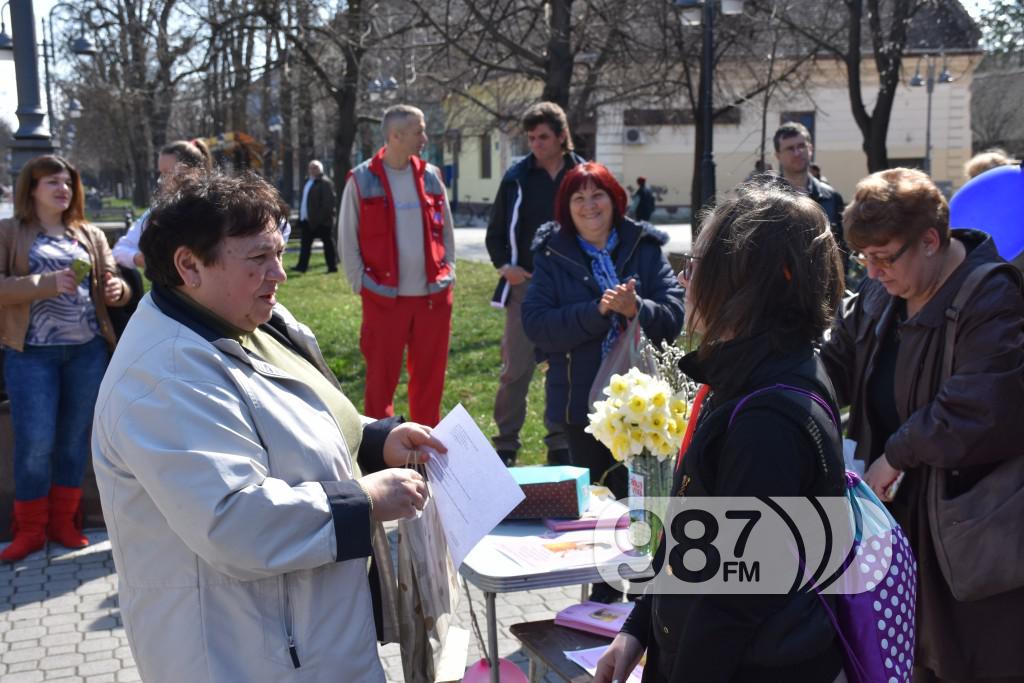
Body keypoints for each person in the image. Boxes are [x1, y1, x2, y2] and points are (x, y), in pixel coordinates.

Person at [92, 170, 443, 683]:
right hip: (246, 653)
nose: (279, 273)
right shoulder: (164, 376)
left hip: (309, 633)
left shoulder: (249, 318)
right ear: (189, 265)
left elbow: (303, 416)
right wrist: (363, 500)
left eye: (280, 251)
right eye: (259, 258)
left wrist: (375, 441)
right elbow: (233, 519)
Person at [595, 181, 847, 683]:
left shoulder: (768, 418)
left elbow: (730, 606)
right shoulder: (746, 373)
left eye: (698, 266)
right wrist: (637, 628)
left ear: (746, 283)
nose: (686, 280)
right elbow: (692, 533)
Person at [820, 167, 1024, 682]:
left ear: (931, 240)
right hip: (896, 525)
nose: (872, 270)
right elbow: (836, 360)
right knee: (898, 659)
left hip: (967, 538)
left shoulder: (992, 295)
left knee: (966, 664)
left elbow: (978, 406)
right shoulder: (878, 291)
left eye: (884, 257)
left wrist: (898, 453)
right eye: (863, 257)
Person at [521, 162, 684, 501]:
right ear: (566, 207)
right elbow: (537, 324)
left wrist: (636, 308)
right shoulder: (551, 254)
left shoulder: (645, 246)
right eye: (578, 198)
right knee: (592, 508)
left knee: (644, 506)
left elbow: (673, 316)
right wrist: (597, 311)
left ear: (614, 199)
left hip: (647, 410)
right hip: (580, 406)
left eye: (598, 195)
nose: (589, 205)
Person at [0, 155, 132, 562]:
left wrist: (118, 292)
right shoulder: (10, 231)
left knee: (75, 441)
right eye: (52, 183)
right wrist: (44, 284)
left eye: (68, 183)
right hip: (31, 353)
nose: (63, 190)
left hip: (86, 351)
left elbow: (116, 283)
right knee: (36, 443)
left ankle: (64, 523)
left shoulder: (88, 234)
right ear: (32, 189)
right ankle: (29, 532)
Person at [339, 104, 455, 426]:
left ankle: (427, 452)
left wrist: (451, 272)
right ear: (396, 135)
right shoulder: (362, 180)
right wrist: (359, 282)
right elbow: (348, 237)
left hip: (433, 298)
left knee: (430, 384)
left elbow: (446, 231)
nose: (424, 137)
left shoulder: (432, 178)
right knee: (380, 384)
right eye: (419, 131)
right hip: (383, 299)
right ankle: (383, 456)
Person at [485, 101, 583, 466]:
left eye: (543, 137)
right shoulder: (517, 177)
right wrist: (505, 267)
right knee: (516, 367)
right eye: (531, 138)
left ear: (561, 137)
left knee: (566, 367)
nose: (536, 144)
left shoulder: (583, 174)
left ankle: (559, 441)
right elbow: (495, 233)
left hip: (573, 287)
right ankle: (506, 444)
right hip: (526, 285)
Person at [112, 138, 214, 270]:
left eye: (169, 173)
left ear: (195, 172)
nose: (161, 181)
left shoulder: (217, 210)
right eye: (161, 173)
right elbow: (120, 250)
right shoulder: (156, 215)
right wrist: (144, 260)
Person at [773, 122, 847, 269]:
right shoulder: (766, 200)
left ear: (810, 149)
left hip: (825, 288)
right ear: (777, 156)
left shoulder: (831, 197)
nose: (797, 153)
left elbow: (842, 249)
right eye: (790, 148)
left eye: (801, 146)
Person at [293, 159, 338, 273]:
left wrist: (318, 219)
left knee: (328, 245)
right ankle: (302, 266)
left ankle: (332, 267)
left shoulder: (325, 183)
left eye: (315, 168)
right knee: (305, 245)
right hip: (307, 221)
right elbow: (304, 202)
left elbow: (328, 204)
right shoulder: (308, 182)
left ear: (320, 169)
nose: (312, 170)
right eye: (311, 168)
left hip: (323, 222)